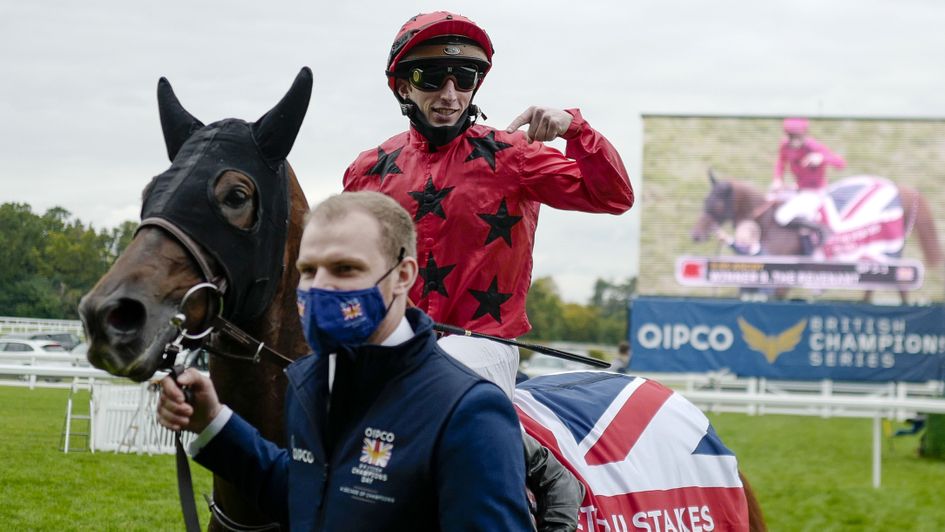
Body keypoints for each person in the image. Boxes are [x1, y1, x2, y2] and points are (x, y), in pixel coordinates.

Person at [157, 191, 533, 531]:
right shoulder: (307, 380)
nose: (319, 286)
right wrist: (213, 422)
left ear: (402, 276)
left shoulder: (467, 411)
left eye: (345, 269)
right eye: (308, 270)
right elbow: (311, 495)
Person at [343, 11, 634, 398]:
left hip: (485, 342)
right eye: (432, 77)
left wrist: (576, 130)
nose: (450, 94)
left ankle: (527, 456)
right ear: (402, 88)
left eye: (464, 79)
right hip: (393, 338)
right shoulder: (367, 170)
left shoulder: (515, 154)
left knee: (437, 380)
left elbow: (614, 197)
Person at [771, 117, 846, 255]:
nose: (794, 140)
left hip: (815, 192)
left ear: (804, 134)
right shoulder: (785, 145)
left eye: (797, 136)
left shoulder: (813, 147)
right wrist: (777, 180)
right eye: (791, 136)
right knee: (769, 201)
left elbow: (841, 163)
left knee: (782, 216)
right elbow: (781, 162)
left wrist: (822, 158)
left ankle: (816, 234)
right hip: (797, 189)